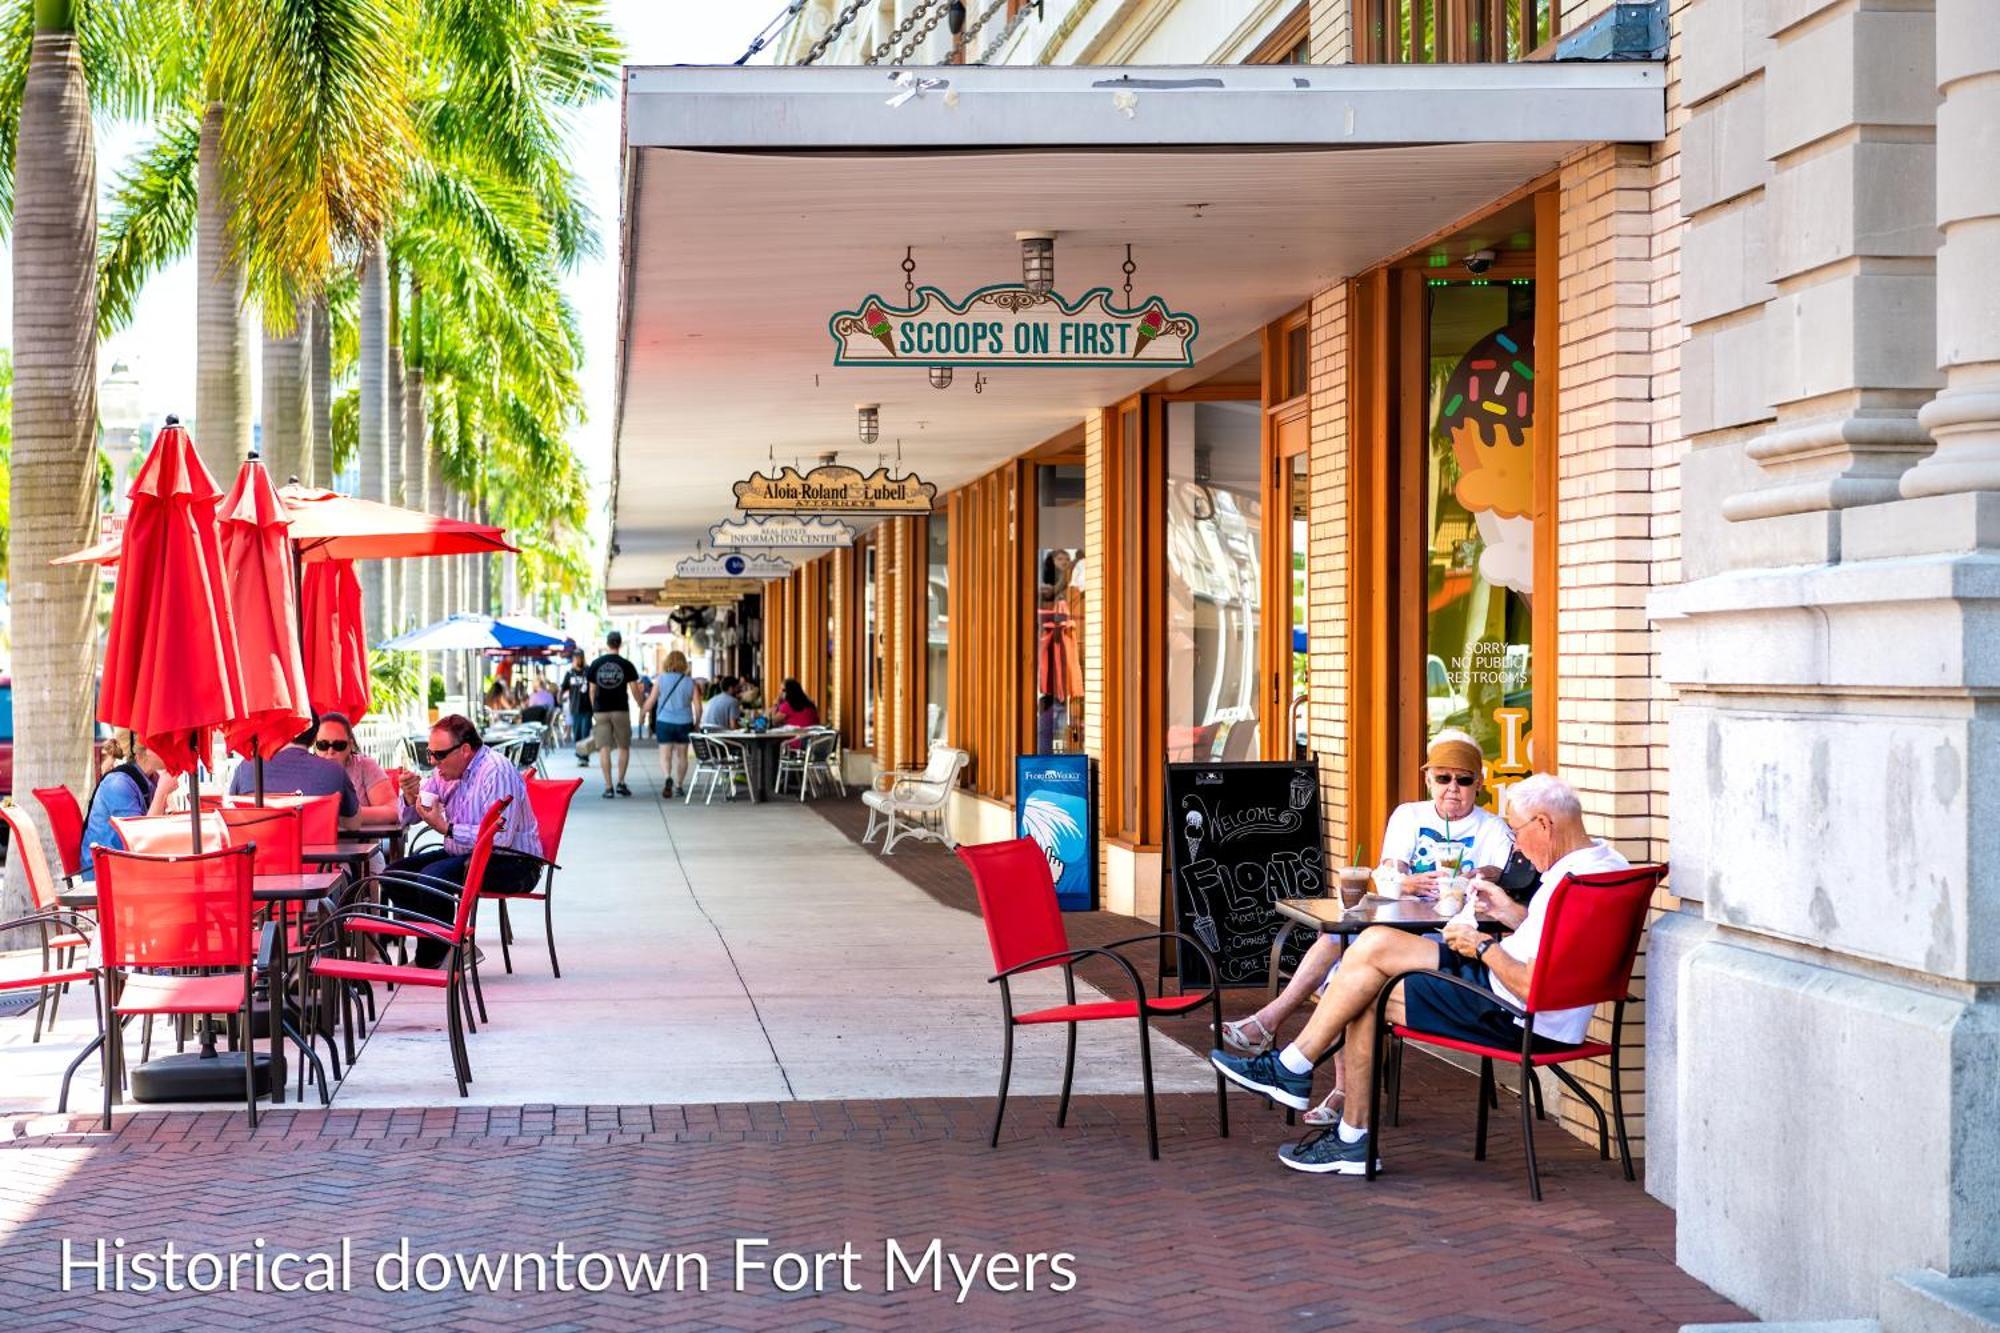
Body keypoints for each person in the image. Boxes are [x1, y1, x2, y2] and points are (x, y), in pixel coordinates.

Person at [1209, 773, 1629, 1176]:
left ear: (1544, 824)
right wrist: (1511, 914)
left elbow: (1532, 984)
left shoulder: (1572, 883)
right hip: (1514, 992)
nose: (1517, 845)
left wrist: (1482, 946)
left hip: (1514, 1012)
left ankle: (1328, 1110)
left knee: (1363, 987)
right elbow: (1555, 945)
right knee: (1372, 942)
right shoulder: (1605, 865)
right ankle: (1302, 1080)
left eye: (1518, 831)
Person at [1219, 730, 1511, 1125]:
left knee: (1348, 970)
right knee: (1337, 942)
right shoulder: (1410, 815)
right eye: (1443, 779)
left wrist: (1469, 877)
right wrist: (1404, 881)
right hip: (1397, 930)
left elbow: (1494, 871)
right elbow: (1392, 867)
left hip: (1447, 940)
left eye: (1463, 780)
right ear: (1429, 781)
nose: (1453, 790)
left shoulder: (1493, 828)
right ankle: (1278, 1030)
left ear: (1479, 784)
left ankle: (1283, 1042)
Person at [388, 715, 544, 967]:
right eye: (430, 753)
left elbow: (499, 838)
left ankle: (435, 957)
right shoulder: (445, 771)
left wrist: (446, 828)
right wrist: (409, 796)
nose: (432, 761)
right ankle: (451, 948)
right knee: (394, 875)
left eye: (438, 755)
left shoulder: (496, 771)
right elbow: (410, 816)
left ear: (465, 750)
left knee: (432, 877)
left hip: (514, 863)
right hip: (465, 854)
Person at [78, 731, 179, 876]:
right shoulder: (118, 784)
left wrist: (166, 796)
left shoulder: (151, 779)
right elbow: (140, 844)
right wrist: (162, 793)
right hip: (102, 874)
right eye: (165, 745)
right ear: (145, 752)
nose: (173, 751)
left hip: (125, 866)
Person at [226, 719, 360, 817]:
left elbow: (231, 812)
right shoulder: (334, 771)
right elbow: (354, 823)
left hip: (262, 853)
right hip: (316, 854)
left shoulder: (247, 766)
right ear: (314, 739)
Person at [585, 631, 645, 798]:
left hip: (601, 711)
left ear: (607, 644)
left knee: (604, 748)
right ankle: (621, 782)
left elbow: (592, 690)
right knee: (623, 747)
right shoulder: (626, 664)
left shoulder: (596, 664)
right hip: (620, 710)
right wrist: (641, 706)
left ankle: (608, 787)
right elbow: (634, 689)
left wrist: (594, 708)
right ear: (620, 644)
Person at [312, 711, 399, 826]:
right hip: (314, 842)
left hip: (360, 842)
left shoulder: (365, 766)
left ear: (350, 745)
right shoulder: (304, 768)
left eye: (339, 745)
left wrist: (345, 815)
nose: (330, 751)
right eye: (323, 745)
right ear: (314, 745)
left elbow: (393, 810)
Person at [646, 650, 698, 799]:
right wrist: (697, 722)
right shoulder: (690, 682)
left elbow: (651, 700)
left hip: (665, 721)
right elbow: (698, 707)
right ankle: (679, 786)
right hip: (684, 722)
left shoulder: (661, 680)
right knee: (682, 755)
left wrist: (643, 712)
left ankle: (667, 776)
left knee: (665, 754)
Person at [559, 651, 592, 761]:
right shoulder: (569, 673)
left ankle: (584, 757)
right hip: (574, 708)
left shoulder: (588, 671)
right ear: (573, 659)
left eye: (580, 658)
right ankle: (579, 755)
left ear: (583, 658)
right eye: (576, 658)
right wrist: (559, 698)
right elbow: (563, 688)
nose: (578, 660)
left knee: (585, 733)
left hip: (587, 707)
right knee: (577, 733)